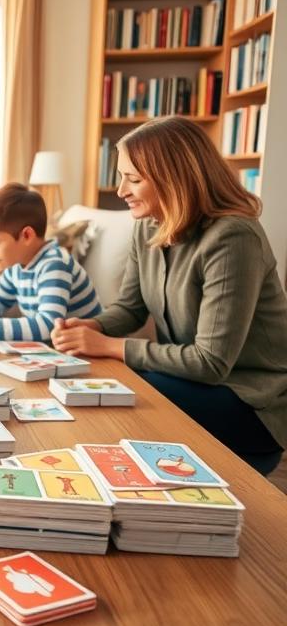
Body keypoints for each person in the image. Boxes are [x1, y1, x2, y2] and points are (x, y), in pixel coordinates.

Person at [50, 116, 287, 474]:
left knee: (127, 389)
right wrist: (93, 326)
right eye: (121, 177)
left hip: (252, 404)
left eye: (133, 179)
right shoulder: (148, 226)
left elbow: (210, 363)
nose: (121, 191)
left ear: (175, 177)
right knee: (103, 379)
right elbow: (130, 308)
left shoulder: (233, 237)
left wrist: (110, 346)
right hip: (191, 384)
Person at [0, 183, 101, 341]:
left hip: (90, 347)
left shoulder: (55, 265)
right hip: (59, 347)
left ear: (27, 236)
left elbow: (48, 326)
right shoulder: (16, 268)